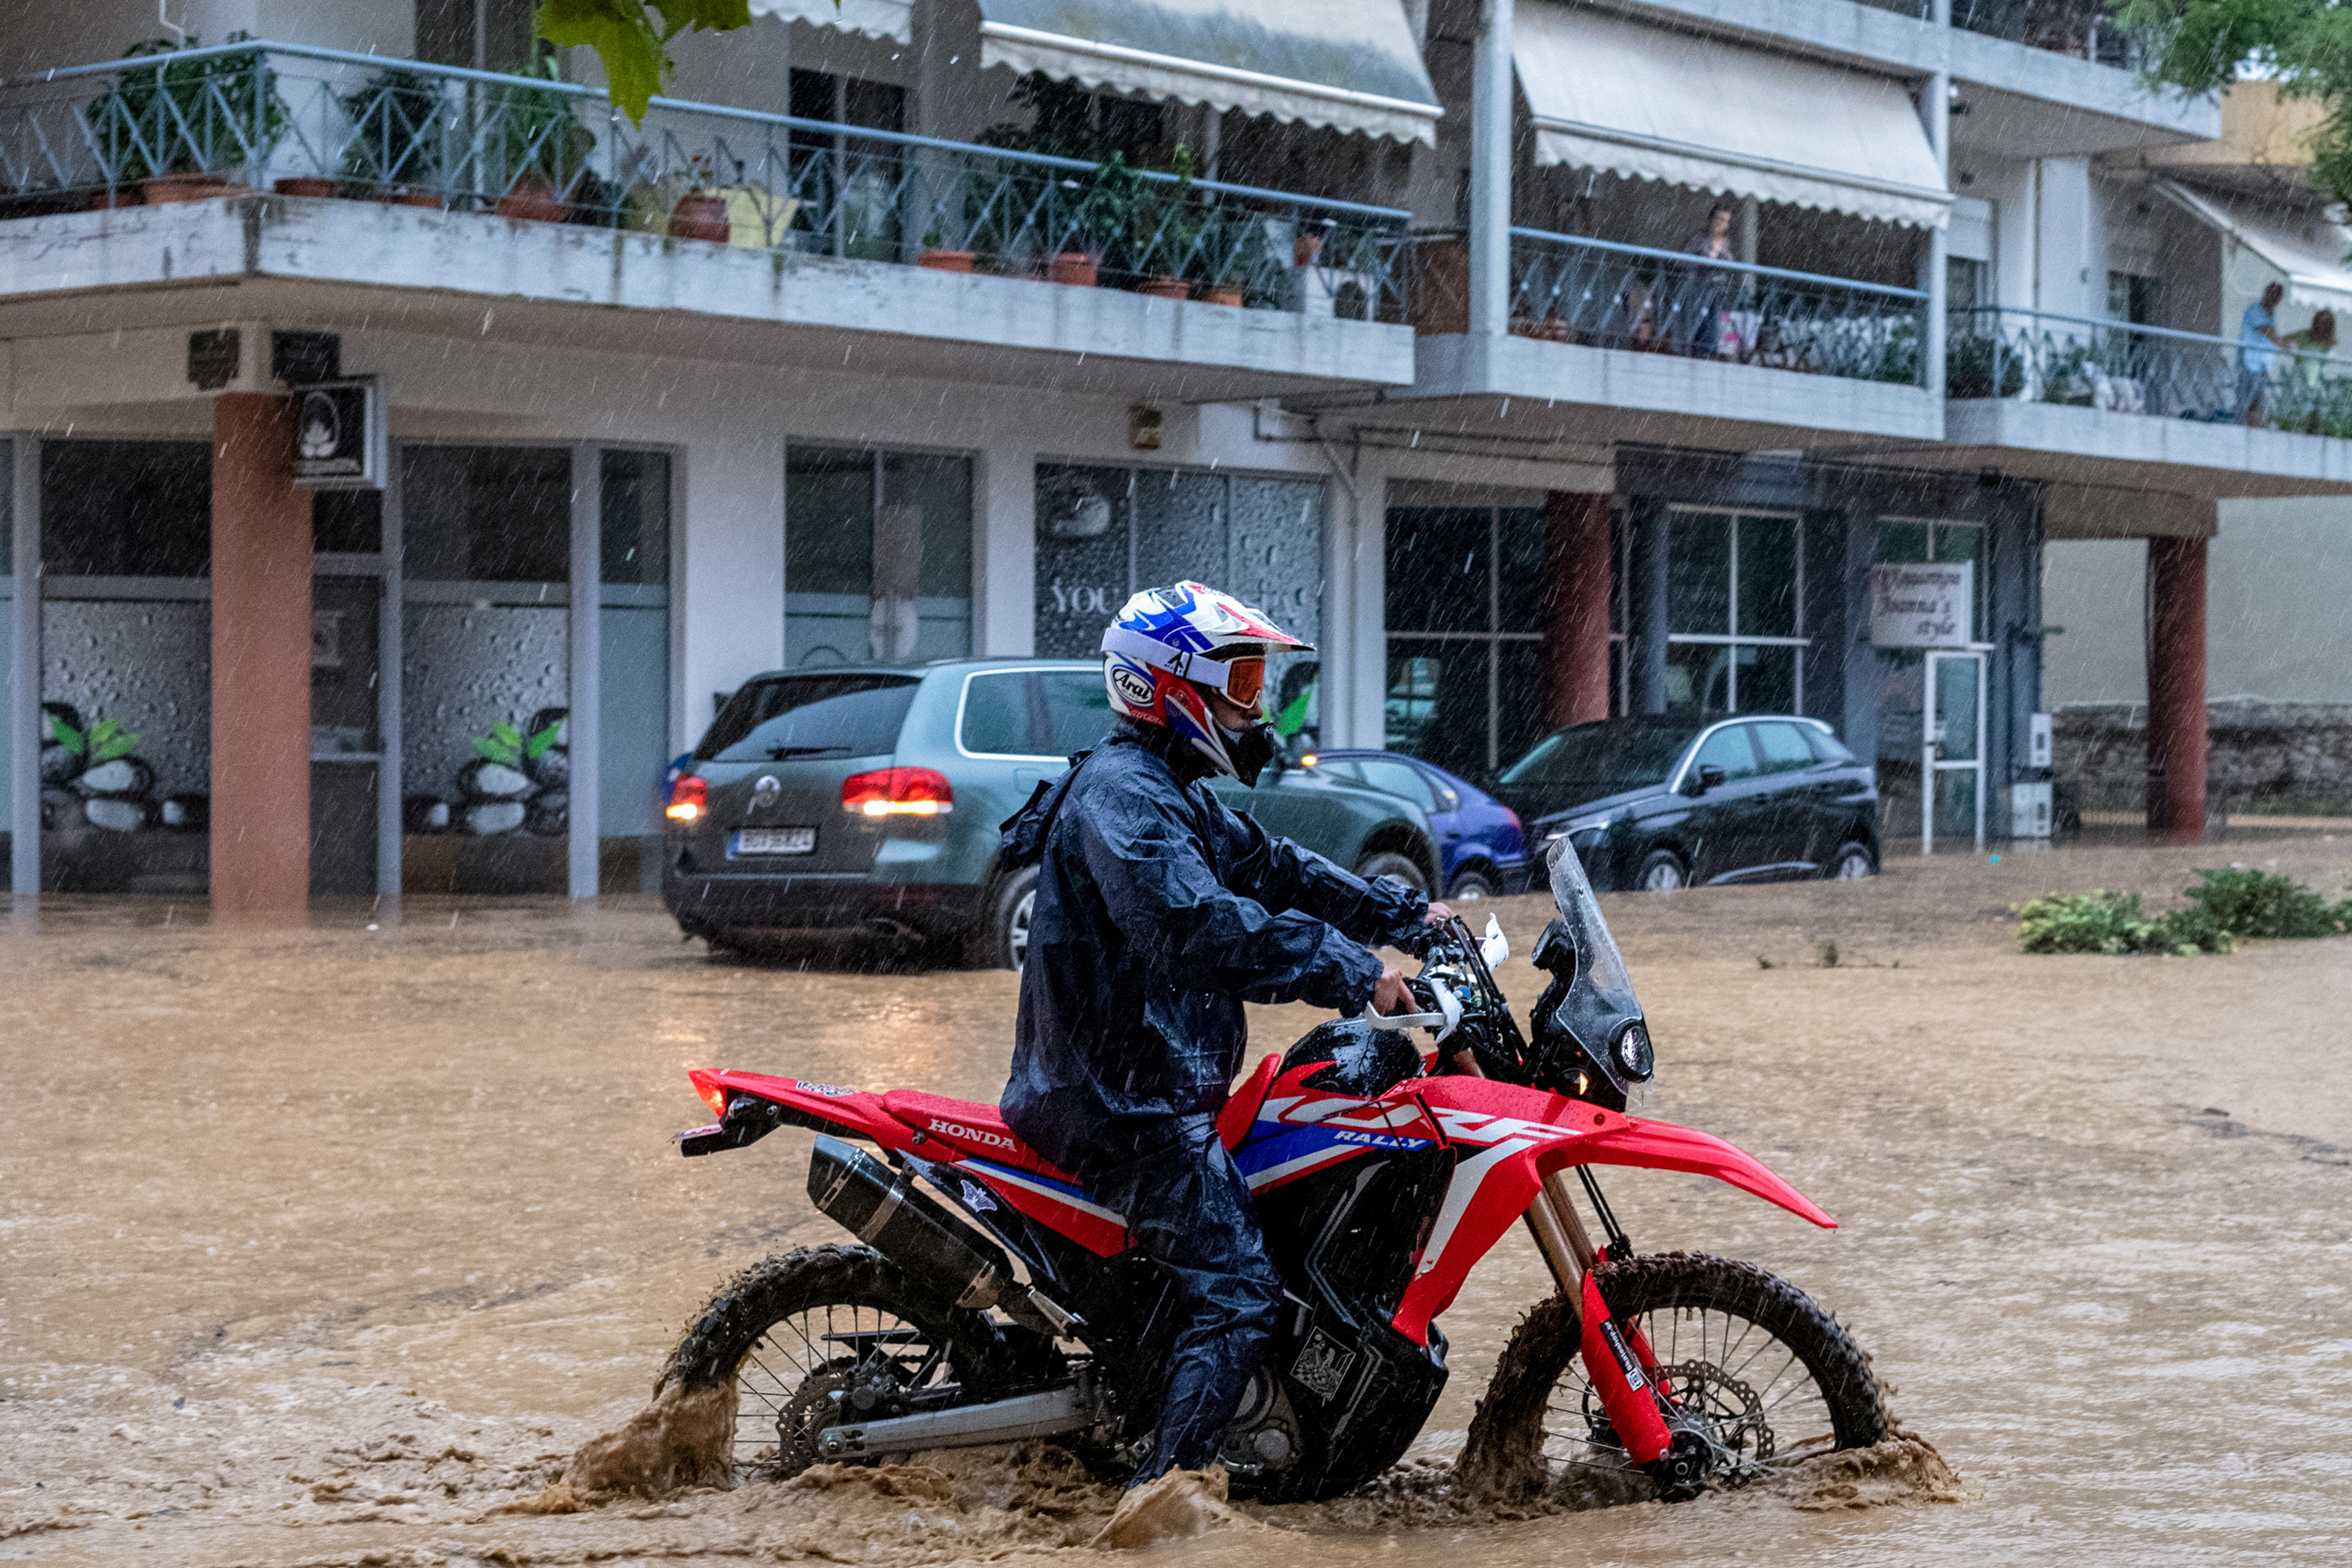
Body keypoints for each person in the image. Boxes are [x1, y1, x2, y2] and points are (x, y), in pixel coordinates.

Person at [998, 581, 1449, 1492]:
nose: (1256, 709)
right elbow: (1198, 927)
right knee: (1241, 1286)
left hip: (1151, 1084)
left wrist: (1405, 915)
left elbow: (1275, 868)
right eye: (1241, 684)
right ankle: (1165, 1500)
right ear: (1173, 687)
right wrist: (1355, 972)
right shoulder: (1125, 797)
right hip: (1121, 1106)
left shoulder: (1170, 790)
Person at [1679, 200, 1739, 358]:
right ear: (1711, 219)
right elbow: (1684, 261)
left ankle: (1711, 351)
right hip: (1697, 288)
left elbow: (1729, 265)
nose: (1722, 224)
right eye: (1720, 219)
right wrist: (1706, 258)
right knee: (1702, 320)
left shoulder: (1726, 242)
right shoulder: (1699, 239)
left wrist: (1725, 259)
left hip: (1718, 290)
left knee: (1715, 319)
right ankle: (1703, 351)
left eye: (1726, 221)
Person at [2239, 281, 2289, 425]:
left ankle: (2257, 424)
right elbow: (2267, 331)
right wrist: (2285, 346)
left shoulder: (2271, 313)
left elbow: (2271, 334)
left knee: (2259, 397)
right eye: (2272, 295)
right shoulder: (2255, 310)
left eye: (2277, 297)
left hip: (2262, 364)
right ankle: (2247, 424)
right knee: (2249, 396)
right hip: (2249, 362)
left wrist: (2283, 343)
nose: (2274, 300)